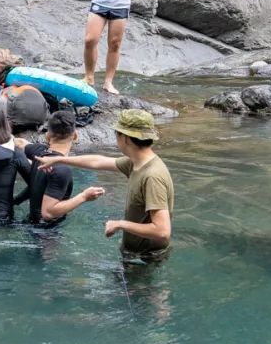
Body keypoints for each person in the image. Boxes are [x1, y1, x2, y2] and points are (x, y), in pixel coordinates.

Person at [36, 110, 173, 263]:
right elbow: (98, 161)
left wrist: (120, 224)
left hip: (145, 259)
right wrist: (59, 160)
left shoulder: (152, 176)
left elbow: (162, 231)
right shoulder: (136, 162)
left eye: (117, 134)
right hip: (135, 255)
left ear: (126, 138)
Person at [12, 110, 104, 228]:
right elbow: (48, 213)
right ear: (75, 135)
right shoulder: (62, 170)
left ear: (47, 136)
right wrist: (83, 197)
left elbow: (19, 143)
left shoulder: (39, 152)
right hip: (47, 234)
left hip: (30, 223)